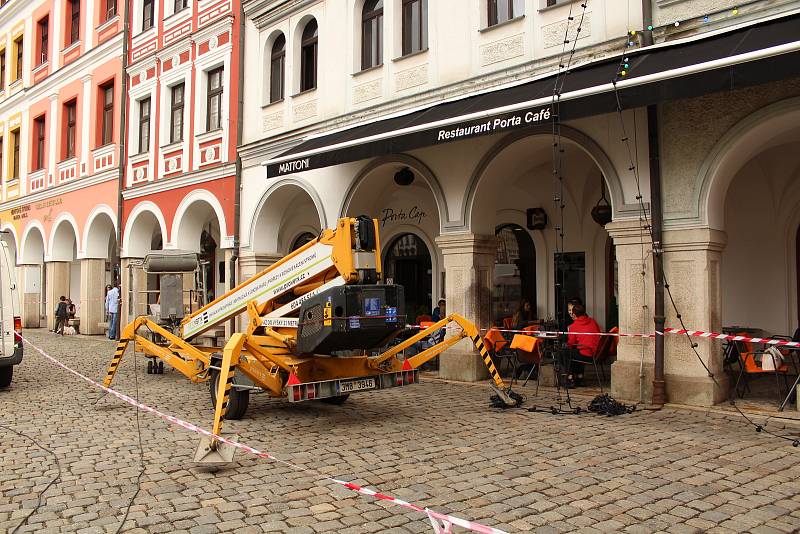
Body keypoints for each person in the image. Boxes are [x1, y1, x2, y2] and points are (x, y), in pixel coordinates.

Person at [565, 303, 601, 387]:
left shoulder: (574, 326)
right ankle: (579, 377)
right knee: (576, 352)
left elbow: (570, 343)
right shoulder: (592, 321)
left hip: (586, 354)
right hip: (596, 353)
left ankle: (570, 378)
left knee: (565, 352)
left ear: (573, 314)